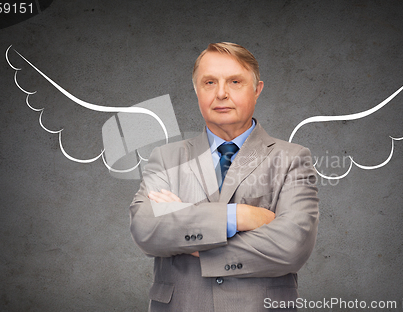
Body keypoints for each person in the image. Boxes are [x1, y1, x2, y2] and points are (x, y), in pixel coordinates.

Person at [129, 42, 319, 311]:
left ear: (257, 89)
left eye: (235, 81)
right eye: (209, 82)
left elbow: (292, 245)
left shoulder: (292, 158)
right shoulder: (165, 157)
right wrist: (237, 216)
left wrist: (186, 232)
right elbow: (146, 229)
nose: (221, 93)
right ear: (196, 91)